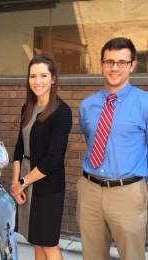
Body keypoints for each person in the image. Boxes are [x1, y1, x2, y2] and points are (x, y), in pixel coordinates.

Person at [77, 37, 148, 260]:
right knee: (93, 255)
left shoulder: (144, 103)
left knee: (132, 256)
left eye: (121, 62)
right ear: (101, 64)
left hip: (127, 191)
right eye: (109, 62)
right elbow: (91, 139)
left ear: (132, 65)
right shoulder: (87, 105)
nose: (114, 68)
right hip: (90, 190)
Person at [9, 55, 72, 260]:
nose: (38, 81)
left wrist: (23, 183)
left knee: (49, 244)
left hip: (47, 186)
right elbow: (19, 148)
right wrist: (15, 182)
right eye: (33, 76)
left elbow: (52, 160)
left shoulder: (62, 112)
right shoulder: (27, 108)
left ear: (53, 79)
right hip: (25, 181)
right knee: (36, 241)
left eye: (43, 75)